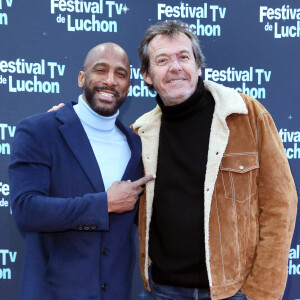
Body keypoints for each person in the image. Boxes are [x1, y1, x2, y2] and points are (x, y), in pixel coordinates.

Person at [131, 20, 298, 300]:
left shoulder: (247, 115)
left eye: (184, 57)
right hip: (164, 291)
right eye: (162, 60)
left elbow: (281, 205)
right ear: (147, 75)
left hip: (233, 292)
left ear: (198, 66)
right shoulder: (140, 132)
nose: (175, 67)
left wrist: (261, 292)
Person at [9, 42, 154, 300]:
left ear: (129, 86)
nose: (110, 81)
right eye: (101, 70)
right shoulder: (39, 131)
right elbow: (26, 210)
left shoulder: (136, 145)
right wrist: (104, 204)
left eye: (121, 74)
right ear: (81, 78)